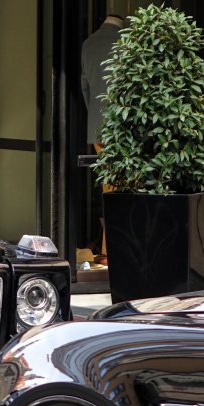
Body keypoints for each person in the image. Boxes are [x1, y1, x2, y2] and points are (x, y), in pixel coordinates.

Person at [80, 14, 125, 261]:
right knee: (119, 190)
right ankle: (110, 251)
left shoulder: (89, 43)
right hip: (122, 127)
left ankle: (108, 248)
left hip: (98, 127)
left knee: (110, 187)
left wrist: (96, 116)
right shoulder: (125, 41)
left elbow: (85, 86)